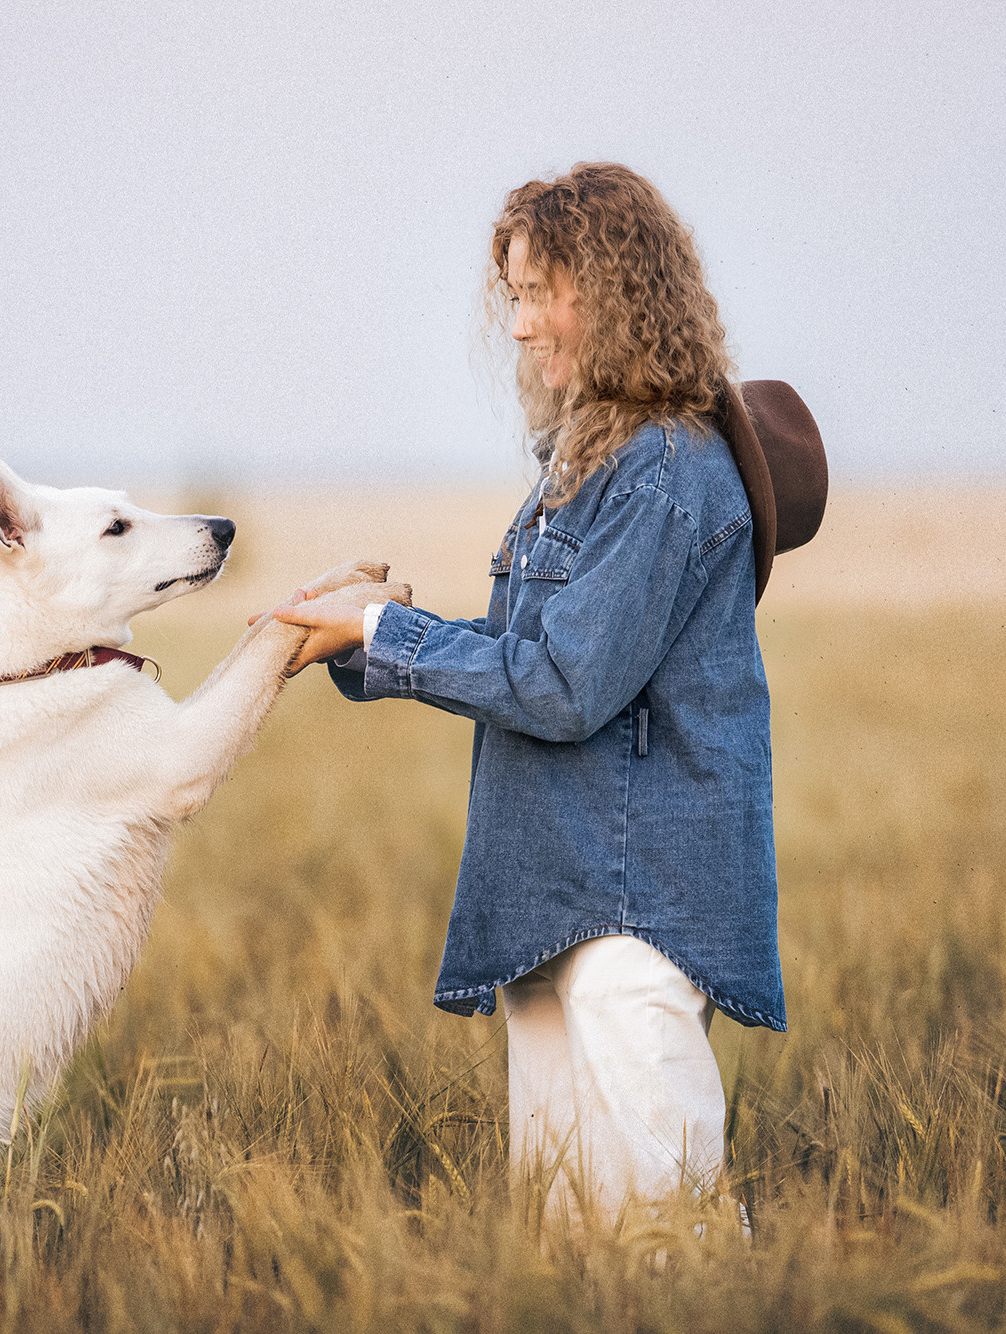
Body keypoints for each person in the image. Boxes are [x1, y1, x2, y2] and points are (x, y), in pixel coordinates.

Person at [268, 162, 784, 1221]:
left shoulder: (663, 473)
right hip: (557, 903)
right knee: (566, 1248)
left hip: (636, 919)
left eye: (540, 291)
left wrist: (384, 634)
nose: (517, 324)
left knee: (666, 1243)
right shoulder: (590, 465)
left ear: (615, 293)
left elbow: (559, 686)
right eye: (512, 293)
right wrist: (359, 638)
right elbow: (528, 653)